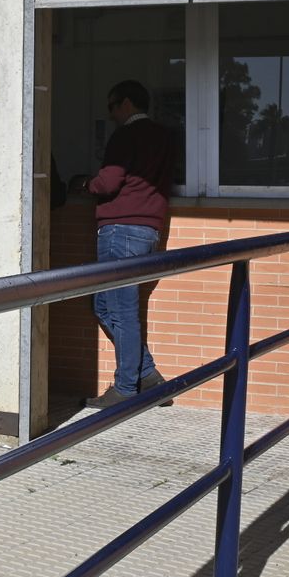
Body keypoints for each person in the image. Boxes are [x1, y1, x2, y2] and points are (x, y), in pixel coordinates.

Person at [82, 79, 176, 409]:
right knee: (107, 307)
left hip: (120, 231)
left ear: (126, 104)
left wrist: (87, 184)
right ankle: (148, 376)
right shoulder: (164, 136)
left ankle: (124, 390)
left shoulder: (126, 136)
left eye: (111, 106)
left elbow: (108, 181)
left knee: (119, 311)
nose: (110, 115)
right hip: (149, 231)